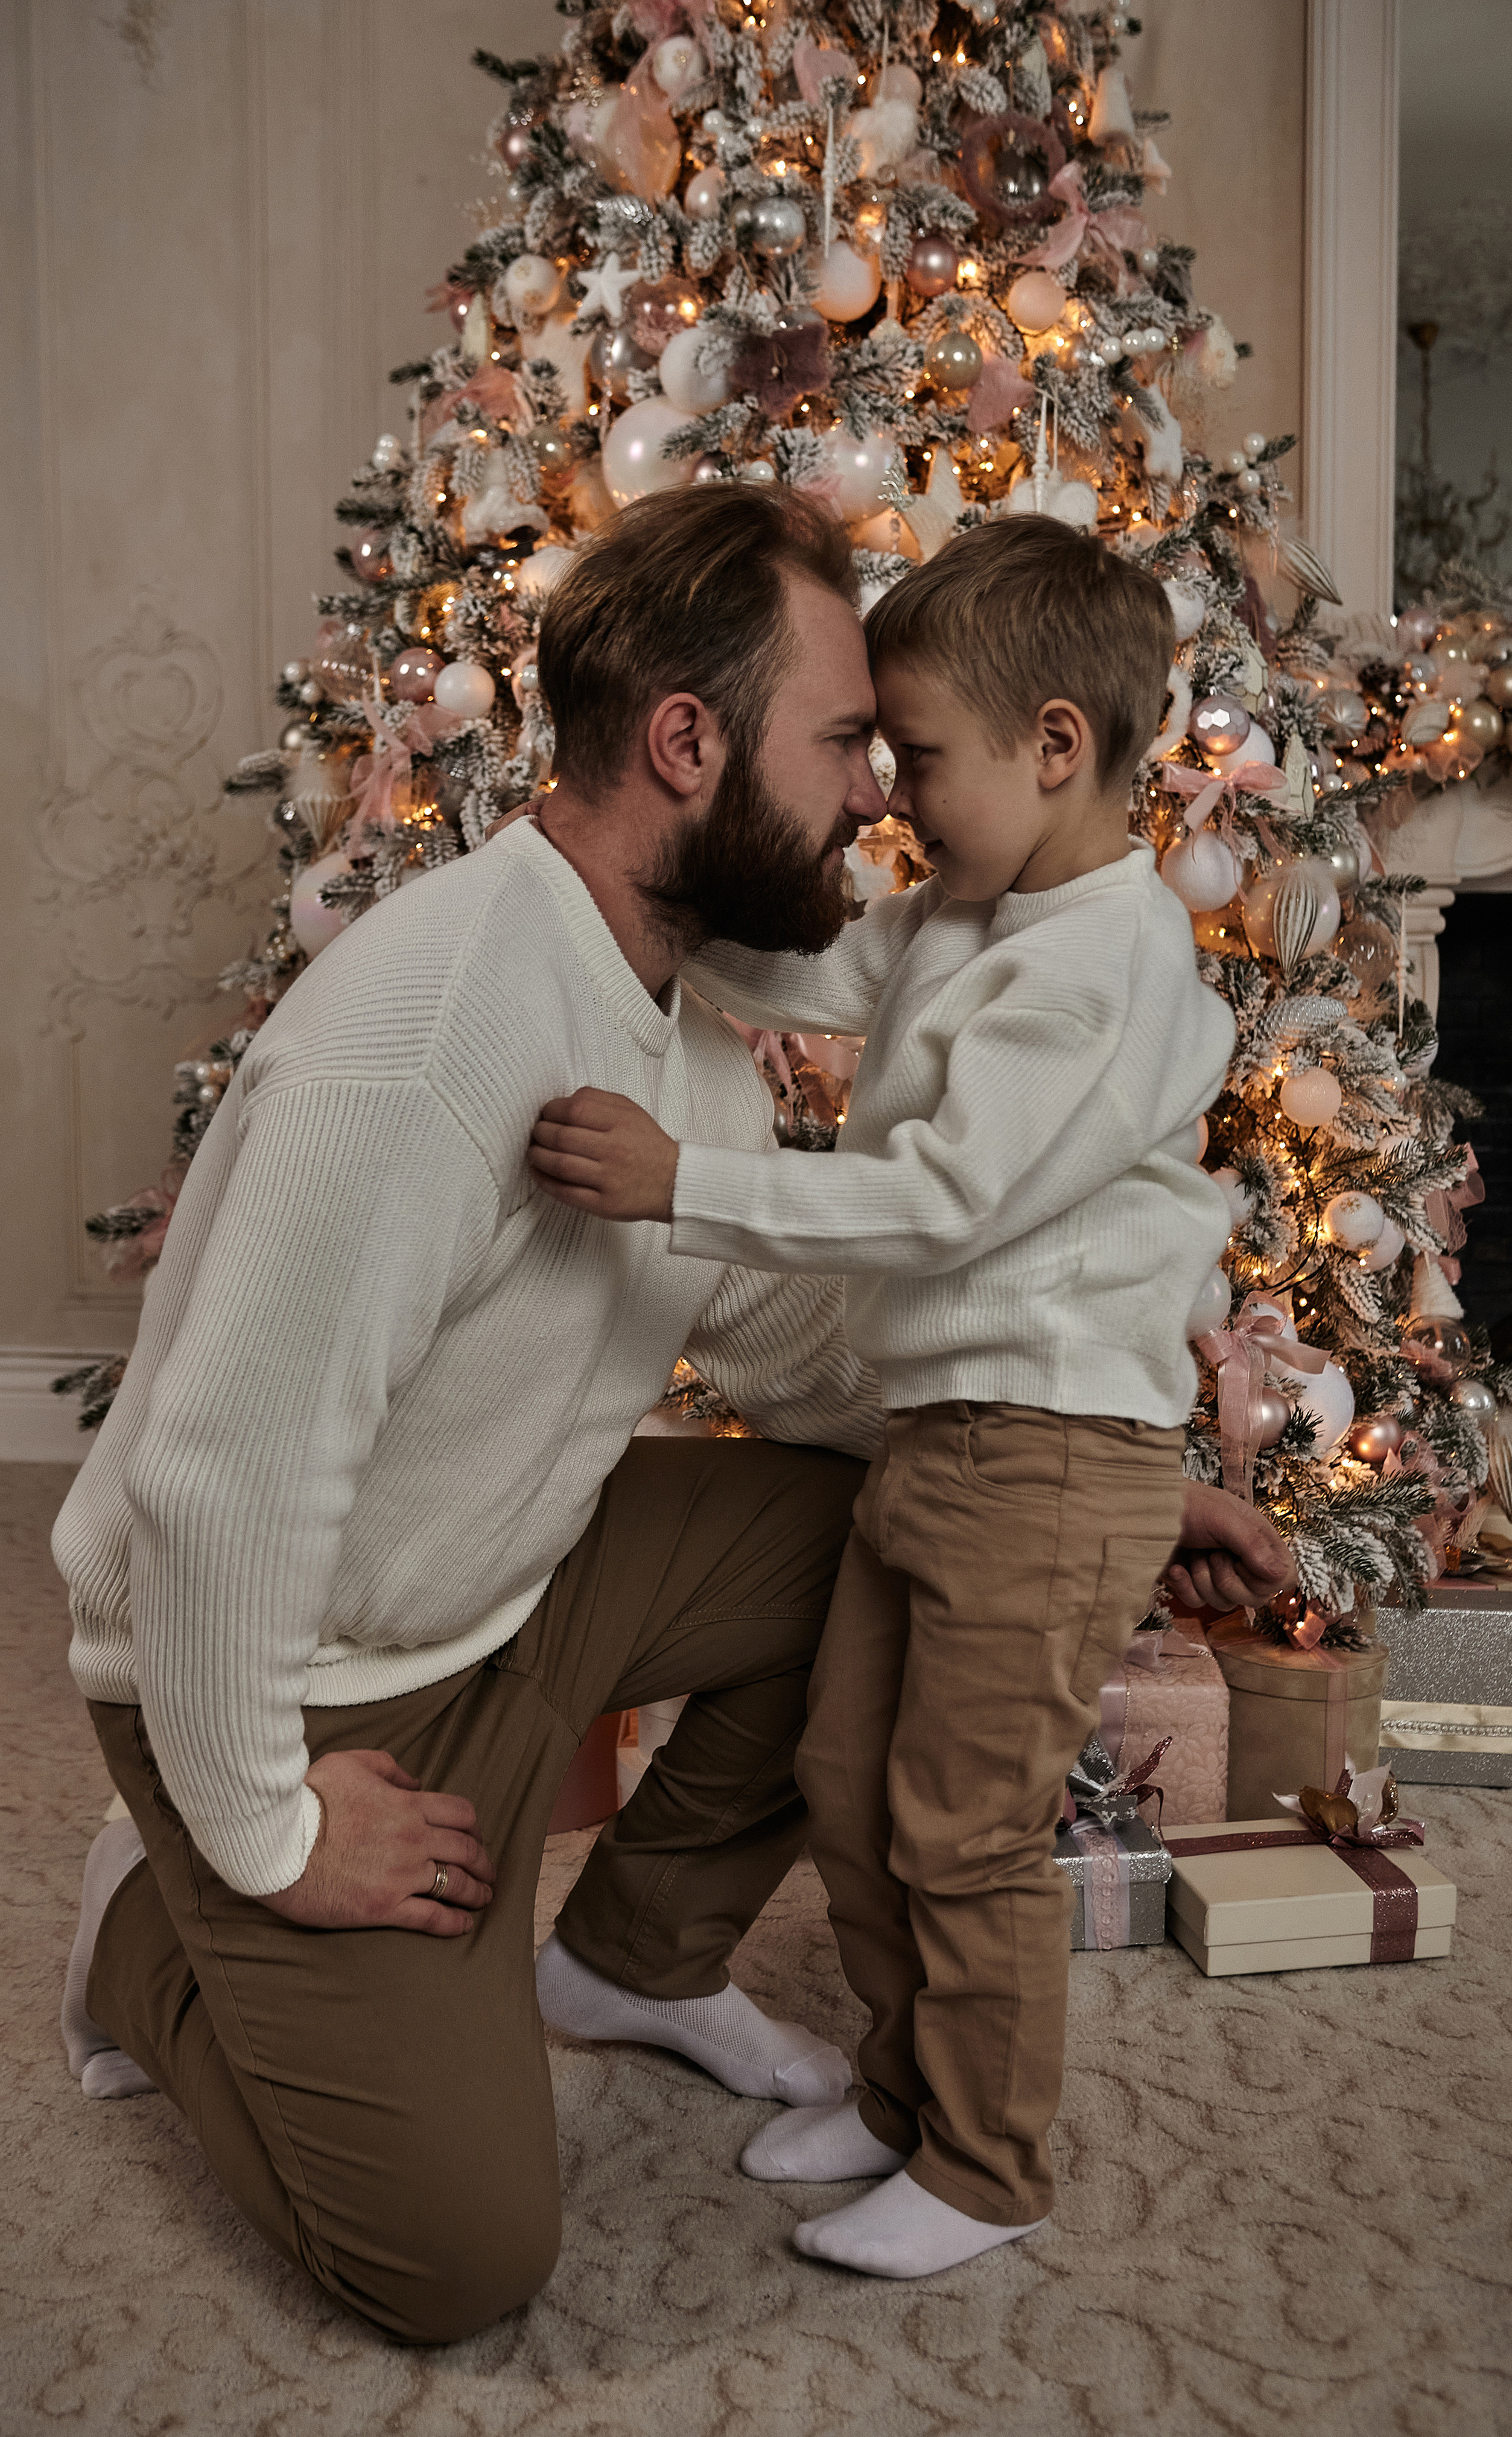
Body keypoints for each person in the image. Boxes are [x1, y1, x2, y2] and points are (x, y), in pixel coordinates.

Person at [55, 487, 1289, 2345]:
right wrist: (268, 1830)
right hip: (293, 1676)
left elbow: (787, 1345)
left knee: (886, 1538)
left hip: (502, 1591)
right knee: (457, 2266)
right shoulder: (430, 1032)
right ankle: (152, 1930)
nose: (879, 789)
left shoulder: (680, 1020)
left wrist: (1093, 1485)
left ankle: (631, 1957)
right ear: (689, 743)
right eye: (843, 740)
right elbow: (216, 1479)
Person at [528, 514, 1245, 2282]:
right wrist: (639, 899)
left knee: (966, 1824)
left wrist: (685, 1176)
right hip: (939, 1436)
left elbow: (939, 1197)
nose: (890, 797)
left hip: (1053, 1458)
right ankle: (908, 2087)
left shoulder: (1101, 967)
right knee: (851, 1780)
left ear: (1055, 746)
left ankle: (991, 2166)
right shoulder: (967, 910)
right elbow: (815, 969)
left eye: (917, 757)